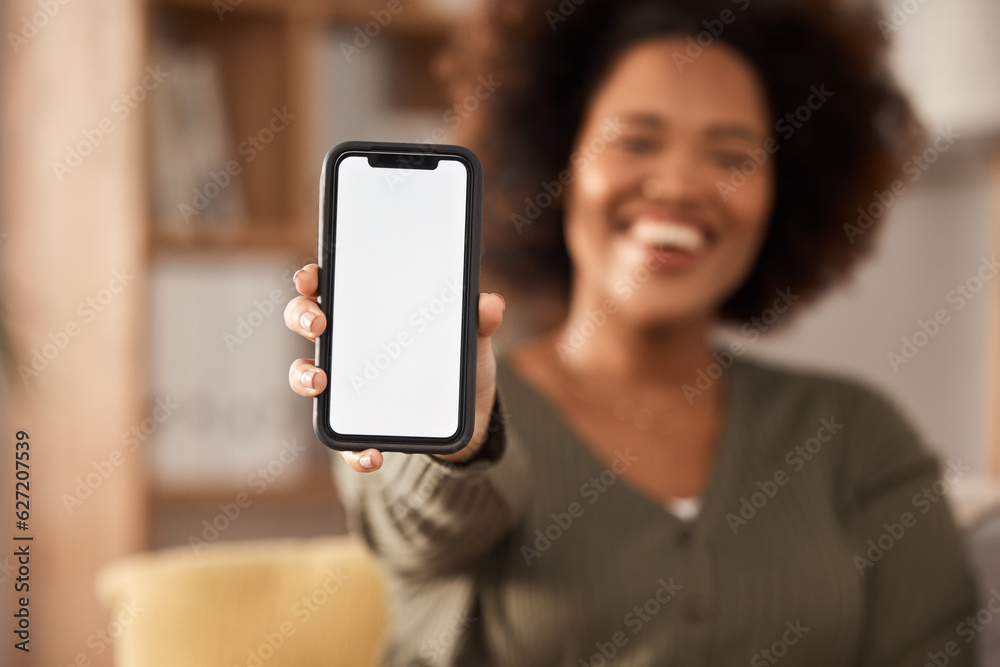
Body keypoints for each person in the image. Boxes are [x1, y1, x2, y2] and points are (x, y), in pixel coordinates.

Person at [285, 0, 978, 664]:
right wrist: (457, 442)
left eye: (732, 155)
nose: (678, 183)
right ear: (560, 163)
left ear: (785, 189)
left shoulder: (854, 432)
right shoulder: (466, 414)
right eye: (636, 139)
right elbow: (422, 530)